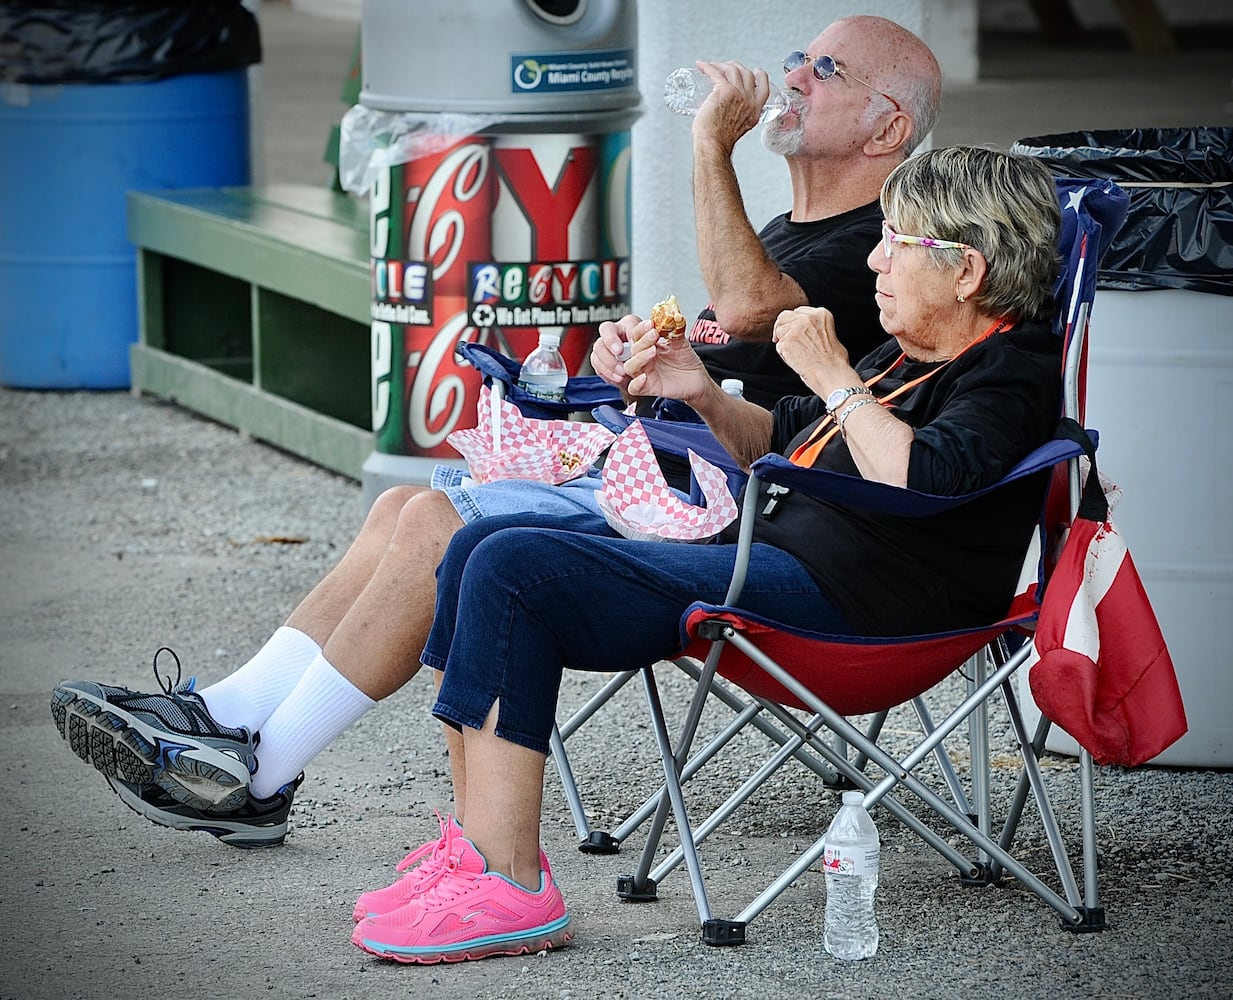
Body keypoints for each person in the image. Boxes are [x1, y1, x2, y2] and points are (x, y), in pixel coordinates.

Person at [50, 17, 942, 846]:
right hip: (679, 476)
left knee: (448, 526)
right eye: (798, 56)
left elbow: (748, 314)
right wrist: (629, 358)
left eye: (823, 70)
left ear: (884, 128)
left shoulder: (875, 247)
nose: (791, 75)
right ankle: (227, 719)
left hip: (749, 523)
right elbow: (728, 347)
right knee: (405, 503)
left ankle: (257, 770)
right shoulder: (791, 231)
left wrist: (711, 139)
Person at [349, 145, 1066, 963]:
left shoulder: (1009, 370)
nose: (874, 257)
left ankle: (508, 884)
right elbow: (787, 434)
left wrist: (836, 374)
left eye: (895, 239)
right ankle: (477, 853)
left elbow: (918, 476)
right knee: (477, 542)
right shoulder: (909, 354)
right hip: (779, 562)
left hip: (860, 610)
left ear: (965, 269)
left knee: (517, 569)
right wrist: (699, 390)